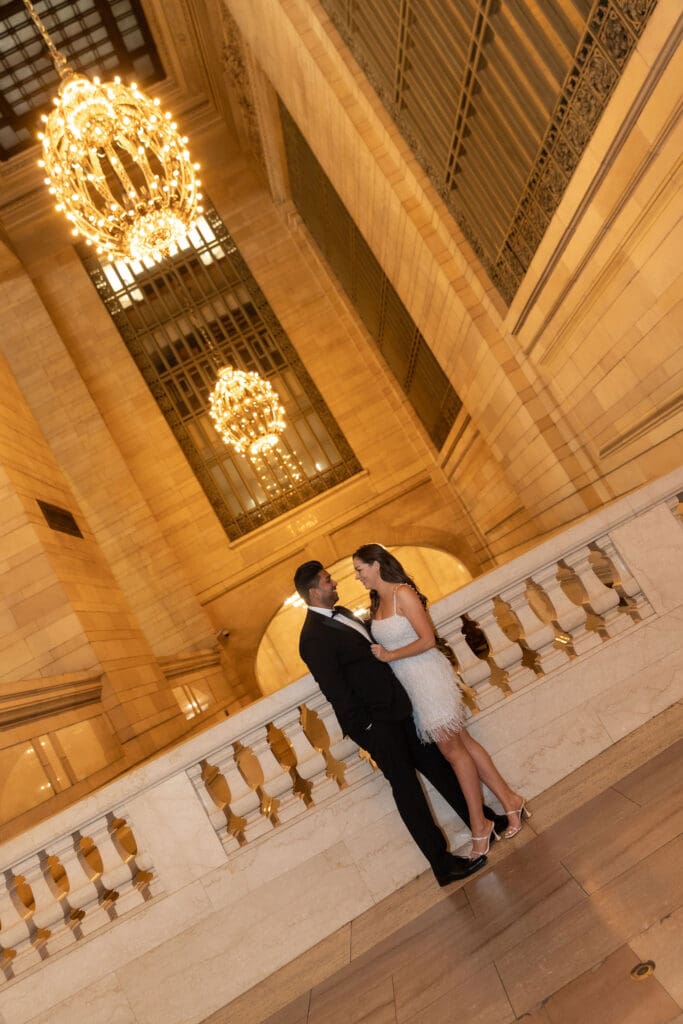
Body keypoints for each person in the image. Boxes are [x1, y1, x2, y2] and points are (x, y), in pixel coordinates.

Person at [294, 559, 509, 887]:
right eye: (327, 580)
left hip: (397, 710)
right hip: (375, 725)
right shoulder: (311, 637)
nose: (334, 582)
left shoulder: (346, 615)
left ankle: (483, 822)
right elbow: (335, 691)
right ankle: (442, 865)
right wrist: (366, 728)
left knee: (438, 765)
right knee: (407, 791)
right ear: (313, 591)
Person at [352, 543, 530, 858]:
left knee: (453, 752)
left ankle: (480, 825)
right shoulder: (377, 602)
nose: (358, 577)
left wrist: (390, 654)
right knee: (464, 744)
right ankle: (511, 801)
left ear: (376, 564)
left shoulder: (402, 593)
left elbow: (428, 639)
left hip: (429, 678)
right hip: (411, 687)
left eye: (359, 569)